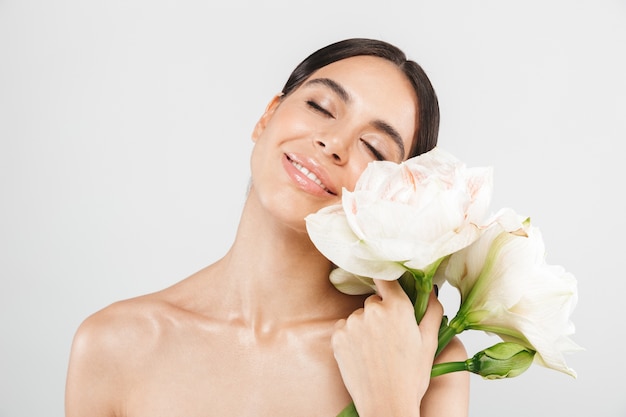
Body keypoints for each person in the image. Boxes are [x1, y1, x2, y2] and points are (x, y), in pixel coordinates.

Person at [65, 38, 470, 417]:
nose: (333, 143)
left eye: (375, 148)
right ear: (267, 116)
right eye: (321, 106)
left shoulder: (421, 360)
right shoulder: (114, 344)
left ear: (395, 197)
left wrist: (391, 403)